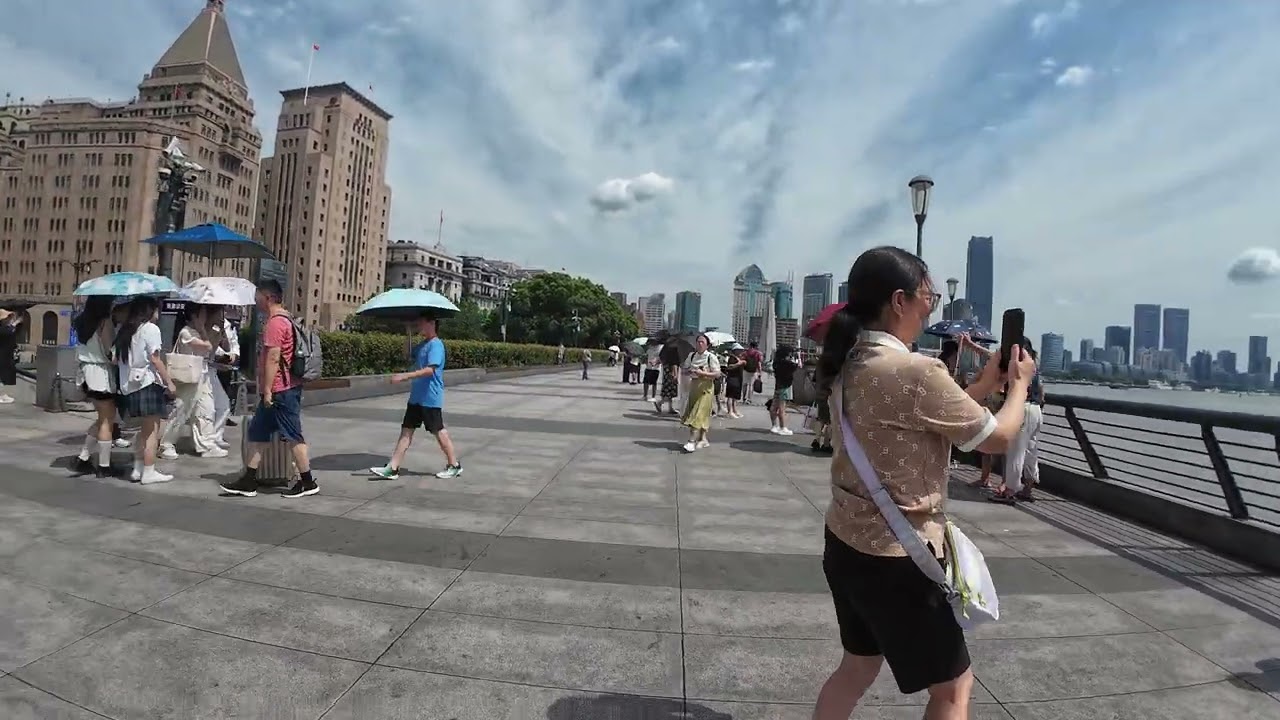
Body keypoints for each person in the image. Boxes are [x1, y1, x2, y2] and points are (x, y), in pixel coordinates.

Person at [811, 246, 1035, 720]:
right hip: (898, 559)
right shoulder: (917, 370)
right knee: (954, 688)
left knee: (856, 667)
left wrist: (982, 386)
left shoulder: (847, 363)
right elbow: (996, 438)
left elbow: (921, 420)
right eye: (928, 297)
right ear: (899, 300)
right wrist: (1017, 387)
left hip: (846, 544)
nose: (930, 306)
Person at [220, 279, 317, 499]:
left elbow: (273, 358)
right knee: (258, 433)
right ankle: (248, 480)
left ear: (269, 297)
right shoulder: (285, 319)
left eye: (258, 297)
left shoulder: (275, 323)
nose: (256, 301)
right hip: (279, 390)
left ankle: (308, 482)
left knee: (293, 436)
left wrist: (267, 390)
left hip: (280, 391)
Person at [370, 314, 464, 480]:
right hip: (416, 397)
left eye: (422, 322)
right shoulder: (423, 345)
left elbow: (430, 370)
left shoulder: (436, 345)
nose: (419, 324)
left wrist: (405, 376)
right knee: (406, 430)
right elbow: (407, 354)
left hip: (430, 397)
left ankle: (454, 465)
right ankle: (393, 467)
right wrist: (408, 332)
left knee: (439, 431)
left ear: (432, 323)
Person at [114, 296, 177, 484]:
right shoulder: (151, 329)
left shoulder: (126, 330)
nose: (158, 314)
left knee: (143, 430)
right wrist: (169, 382)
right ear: (150, 311)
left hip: (130, 386)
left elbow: (114, 358)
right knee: (152, 431)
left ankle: (138, 468)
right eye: (156, 310)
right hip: (147, 384)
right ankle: (149, 471)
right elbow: (156, 358)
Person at [160, 304, 225, 459]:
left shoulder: (197, 332)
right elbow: (207, 346)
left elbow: (212, 348)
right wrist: (203, 329)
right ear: (194, 316)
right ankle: (166, 444)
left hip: (202, 376)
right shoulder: (186, 333)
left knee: (206, 410)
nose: (205, 317)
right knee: (181, 411)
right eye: (202, 314)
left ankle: (206, 444)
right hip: (188, 378)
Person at [990, 339, 1045, 504]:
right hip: (1036, 410)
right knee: (1031, 451)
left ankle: (1010, 490)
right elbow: (1042, 392)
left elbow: (995, 363)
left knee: (1016, 450)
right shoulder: (1033, 366)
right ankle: (1028, 488)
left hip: (1023, 407)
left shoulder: (1017, 364)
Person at [71, 296, 119, 476]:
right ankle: (104, 466)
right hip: (100, 375)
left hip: (86, 374)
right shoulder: (104, 322)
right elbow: (109, 352)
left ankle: (83, 458)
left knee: (101, 419)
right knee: (107, 420)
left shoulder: (81, 321)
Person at [680, 334, 721, 452]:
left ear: (707, 345)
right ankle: (703, 439)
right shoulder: (692, 356)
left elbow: (717, 374)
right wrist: (690, 371)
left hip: (706, 388)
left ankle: (691, 441)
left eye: (702, 342)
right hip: (694, 386)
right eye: (698, 341)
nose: (699, 344)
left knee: (697, 413)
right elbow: (684, 370)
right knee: (700, 413)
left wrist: (704, 373)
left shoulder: (711, 357)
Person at [211, 308, 240, 441]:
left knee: (223, 401)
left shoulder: (229, 325)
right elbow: (212, 345)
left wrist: (234, 354)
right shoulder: (211, 325)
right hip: (213, 365)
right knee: (213, 404)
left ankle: (216, 436)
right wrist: (223, 355)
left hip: (226, 366)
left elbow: (234, 342)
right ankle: (211, 436)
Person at [769, 345, 799, 436]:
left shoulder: (776, 362)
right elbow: (797, 366)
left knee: (774, 407)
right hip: (785, 387)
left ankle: (774, 426)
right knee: (782, 408)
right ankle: (783, 427)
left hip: (778, 386)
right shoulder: (787, 363)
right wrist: (797, 358)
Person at [0, 309, 20, 405]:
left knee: (5, 375)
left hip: (6, 355)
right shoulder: (3, 329)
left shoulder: (6, 328)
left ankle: (2, 394)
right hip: (2, 355)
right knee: (2, 375)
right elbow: (8, 333)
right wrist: (14, 324)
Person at [723, 350, 746, 419]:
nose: (741, 352)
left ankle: (734, 410)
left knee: (735, 397)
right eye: (739, 350)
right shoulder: (732, 358)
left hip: (738, 379)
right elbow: (729, 367)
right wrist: (739, 364)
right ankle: (729, 412)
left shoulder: (739, 358)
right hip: (732, 379)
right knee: (730, 396)